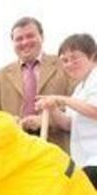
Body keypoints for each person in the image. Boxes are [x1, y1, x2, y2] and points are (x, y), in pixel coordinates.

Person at [0, 16, 73, 152]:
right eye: (19, 39)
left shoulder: (65, 66)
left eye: (30, 36)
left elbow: (77, 107)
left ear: (42, 37)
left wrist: (47, 120)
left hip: (58, 150)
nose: (25, 42)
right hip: (16, 153)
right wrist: (12, 123)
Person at [36, 33, 97, 168]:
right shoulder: (79, 89)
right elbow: (69, 124)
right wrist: (53, 109)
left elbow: (95, 111)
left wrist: (61, 99)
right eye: (64, 60)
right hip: (84, 161)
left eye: (75, 58)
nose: (70, 64)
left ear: (92, 55)